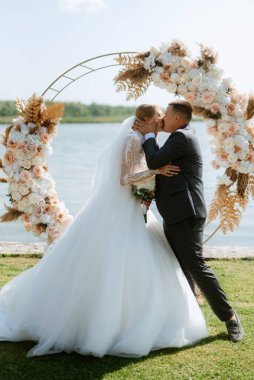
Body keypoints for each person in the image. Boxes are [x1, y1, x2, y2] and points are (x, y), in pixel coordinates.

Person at [0, 104, 208, 358]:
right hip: (121, 209)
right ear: (146, 120)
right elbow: (124, 178)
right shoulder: (132, 139)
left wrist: (151, 181)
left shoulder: (142, 139)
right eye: (158, 116)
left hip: (133, 208)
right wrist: (155, 171)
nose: (162, 119)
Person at [133, 99, 244, 343]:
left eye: (166, 114)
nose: (162, 118)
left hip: (187, 212)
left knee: (195, 265)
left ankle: (230, 318)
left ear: (177, 118)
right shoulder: (178, 137)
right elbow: (157, 167)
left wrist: (150, 135)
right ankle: (189, 313)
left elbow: (154, 161)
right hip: (174, 212)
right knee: (179, 265)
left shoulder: (182, 137)